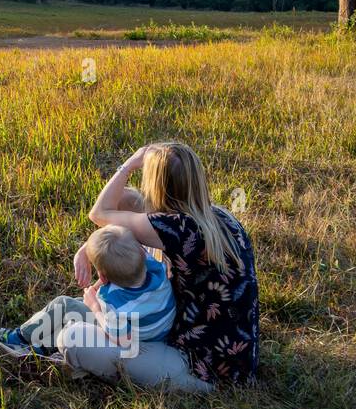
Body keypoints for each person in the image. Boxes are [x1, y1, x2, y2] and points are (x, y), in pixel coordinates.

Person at [62, 141, 260, 391]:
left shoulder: (175, 228)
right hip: (230, 359)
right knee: (80, 316)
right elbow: (124, 210)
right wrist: (86, 248)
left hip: (199, 369)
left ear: (157, 185)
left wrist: (130, 164)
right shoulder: (216, 216)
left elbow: (100, 212)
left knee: (72, 339)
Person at [0, 219, 175, 358]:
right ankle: (43, 349)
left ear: (102, 276)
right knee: (74, 315)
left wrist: (94, 306)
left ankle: (17, 337)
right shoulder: (156, 269)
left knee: (64, 305)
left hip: (134, 337)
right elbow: (127, 231)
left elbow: (122, 337)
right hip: (154, 330)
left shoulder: (113, 303)